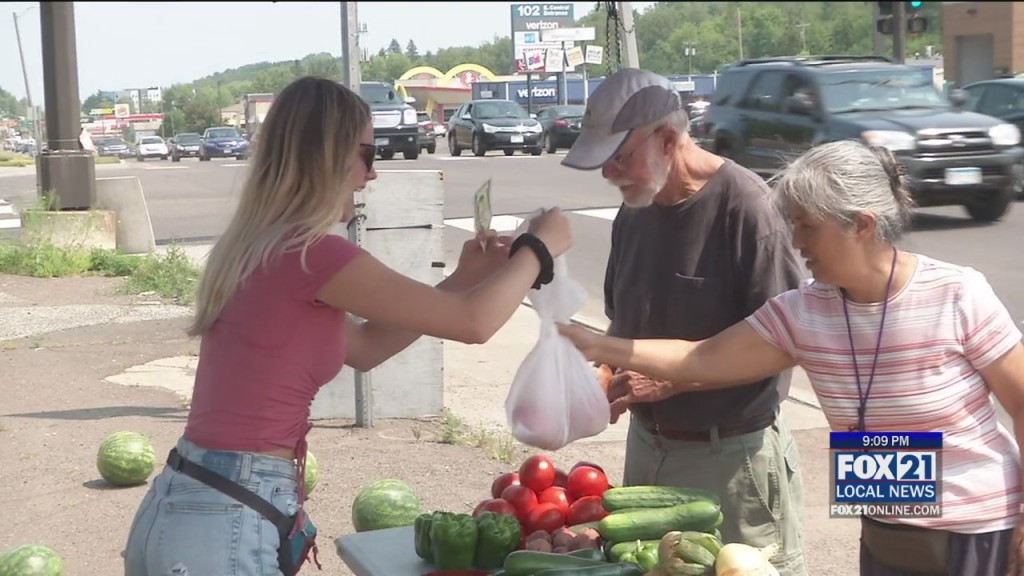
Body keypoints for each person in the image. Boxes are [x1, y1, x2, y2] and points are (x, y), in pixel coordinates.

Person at [122, 76, 572, 576]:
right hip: (227, 515)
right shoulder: (313, 254)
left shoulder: (262, 246)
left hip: (193, 502)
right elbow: (476, 324)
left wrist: (466, 277)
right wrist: (539, 249)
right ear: (328, 155)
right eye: (368, 153)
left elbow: (365, 347)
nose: (371, 174)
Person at [558, 139, 1024, 576]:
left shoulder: (956, 293)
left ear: (861, 225)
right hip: (886, 532)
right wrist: (600, 346)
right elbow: (700, 358)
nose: (796, 242)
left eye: (807, 226)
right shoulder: (805, 311)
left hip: (975, 530)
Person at [560, 68, 807, 575]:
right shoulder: (634, 213)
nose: (609, 174)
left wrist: (674, 379)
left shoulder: (748, 208)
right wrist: (599, 378)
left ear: (668, 139)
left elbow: (785, 347)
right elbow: (623, 329)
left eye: (619, 158)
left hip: (733, 457)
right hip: (648, 451)